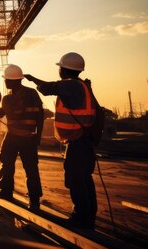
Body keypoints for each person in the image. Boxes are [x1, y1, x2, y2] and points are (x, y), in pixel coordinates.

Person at [24, 52, 98, 229]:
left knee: (76, 179)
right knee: (84, 179)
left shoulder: (71, 86)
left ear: (64, 70)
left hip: (78, 141)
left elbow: (49, 88)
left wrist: (33, 79)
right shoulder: (81, 86)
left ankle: (81, 218)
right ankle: (87, 218)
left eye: (60, 68)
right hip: (83, 140)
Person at [0, 64, 44, 211]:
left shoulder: (7, 99)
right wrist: (38, 136)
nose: (5, 82)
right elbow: (40, 115)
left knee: (6, 163)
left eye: (6, 80)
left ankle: (6, 191)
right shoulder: (32, 93)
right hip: (29, 136)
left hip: (14, 136)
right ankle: (34, 201)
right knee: (31, 169)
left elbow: (5, 112)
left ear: (10, 81)